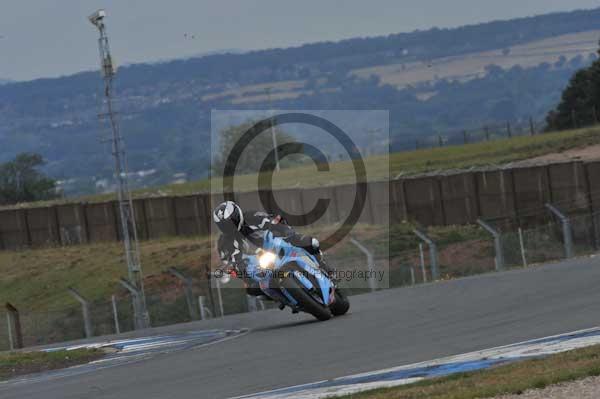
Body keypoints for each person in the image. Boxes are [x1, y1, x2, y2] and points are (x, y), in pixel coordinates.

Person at [213, 200, 330, 296]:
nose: (228, 227)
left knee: (311, 243)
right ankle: (279, 296)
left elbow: (271, 222)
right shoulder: (227, 241)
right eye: (224, 225)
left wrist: (286, 232)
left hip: (273, 245)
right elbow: (234, 260)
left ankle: (325, 267)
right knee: (251, 288)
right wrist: (243, 273)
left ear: (237, 215)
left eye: (230, 222)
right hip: (256, 263)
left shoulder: (252, 216)